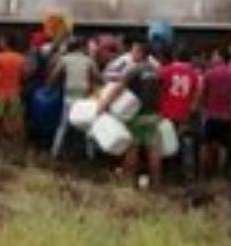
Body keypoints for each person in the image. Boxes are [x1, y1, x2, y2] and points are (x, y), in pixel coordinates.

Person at [100, 37, 164, 187]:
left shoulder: (134, 69)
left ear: (141, 53)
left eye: (134, 50)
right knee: (153, 150)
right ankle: (156, 183)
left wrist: (103, 105)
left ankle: (128, 183)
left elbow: (118, 89)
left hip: (138, 116)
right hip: (153, 115)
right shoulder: (156, 71)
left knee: (132, 149)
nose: (131, 53)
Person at [201, 46, 231, 178]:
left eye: (215, 55)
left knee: (206, 145)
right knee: (223, 147)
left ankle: (205, 173)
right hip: (227, 116)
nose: (212, 57)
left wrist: (202, 106)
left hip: (210, 115)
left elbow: (202, 94)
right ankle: (220, 174)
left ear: (221, 58)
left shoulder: (209, 73)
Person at [49, 37, 99, 158]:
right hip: (84, 97)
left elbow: (54, 75)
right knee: (88, 126)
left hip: (69, 96)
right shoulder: (89, 60)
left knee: (63, 126)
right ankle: (91, 155)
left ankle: (54, 153)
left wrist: (50, 86)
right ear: (82, 48)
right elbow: (98, 76)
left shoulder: (65, 59)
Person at [159, 43, 203, 181]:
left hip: (166, 113)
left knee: (166, 143)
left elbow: (158, 90)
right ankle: (187, 174)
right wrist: (192, 110)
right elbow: (197, 95)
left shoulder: (164, 70)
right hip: (184, 114)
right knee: (185, 143)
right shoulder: (195, 74)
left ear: (175, 56)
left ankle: (167, 172)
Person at [0, 35, 27, 148]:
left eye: (1, 41)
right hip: (14, 92)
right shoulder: (21, 58)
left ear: (5, 43)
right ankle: (18, 144)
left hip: (0, 92)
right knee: (15, 119)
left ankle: (2, 142)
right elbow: (23, 75)